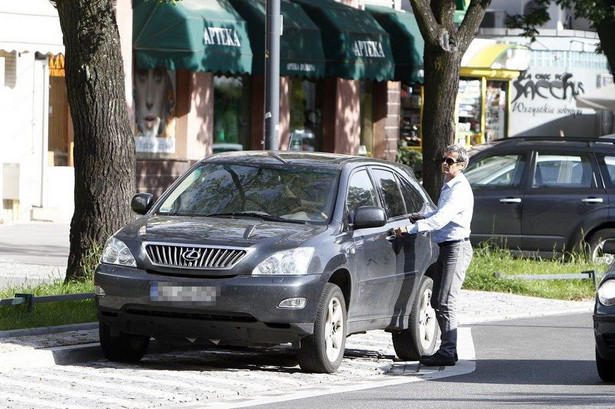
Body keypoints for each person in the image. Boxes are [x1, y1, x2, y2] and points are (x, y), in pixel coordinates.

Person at [396, 143, 474, 366]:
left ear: (461, 165)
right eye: (443, 160)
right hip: (447, 246)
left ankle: (448, 351)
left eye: (450, 161)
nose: (444, 164)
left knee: (446, 301)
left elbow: (441, 220)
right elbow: (439, 213)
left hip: (456, 248)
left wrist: (410, 229)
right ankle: (449, 349)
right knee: (438, 298)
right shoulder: (449, 183)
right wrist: (422, 216)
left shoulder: (459, 188)